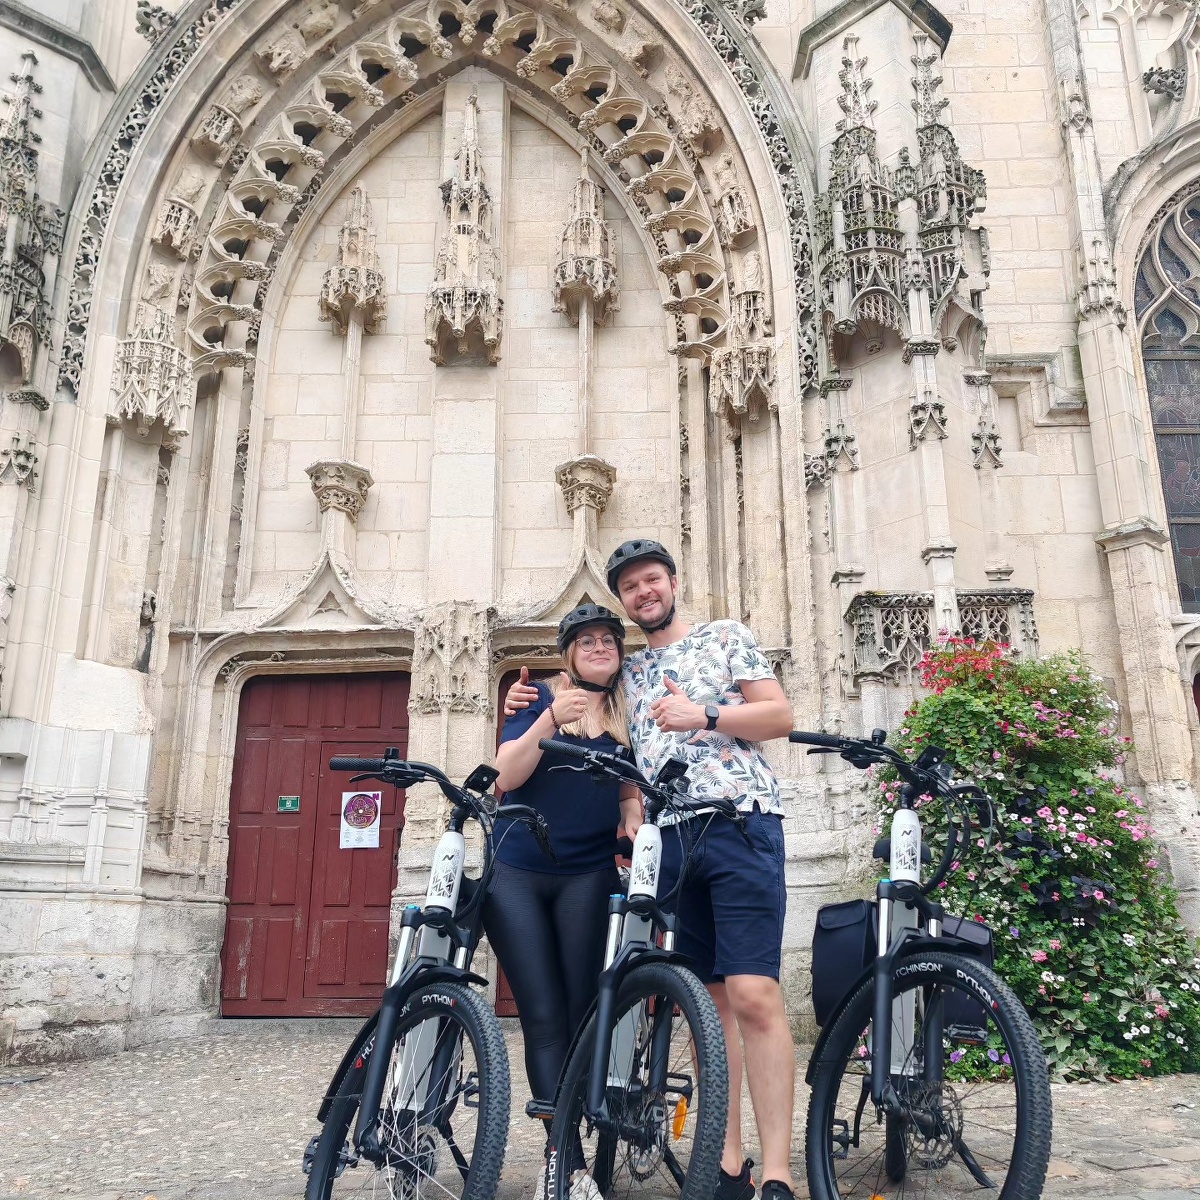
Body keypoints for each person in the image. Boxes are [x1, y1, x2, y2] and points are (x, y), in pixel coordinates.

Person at [506, 540, 797, 1200]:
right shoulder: (630, 673)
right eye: (631, 587)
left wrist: (707, 713)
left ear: (672, 582)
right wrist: (525, 697)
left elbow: (780, 715)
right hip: (672, 843)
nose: (644, 592)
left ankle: (778, 1173)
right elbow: (579, 688)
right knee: (708, 1006)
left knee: (754, 993)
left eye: (652, 580)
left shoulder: (725, 637)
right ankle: (728, 1164)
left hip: (741, 821)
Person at [485, 603, 643, 1194]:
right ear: (568, 653)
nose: (599, 647)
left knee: (581, 1013)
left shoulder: (626, 711)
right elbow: (505, 777)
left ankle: (581, 1139)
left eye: (608, 640)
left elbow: (628, 790)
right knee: (544, 1016)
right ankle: (564, 1161)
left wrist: (632, 813)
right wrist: (550, 718)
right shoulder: (536, 699)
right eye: (587, 641)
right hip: (518, 871)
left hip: (588, 873)